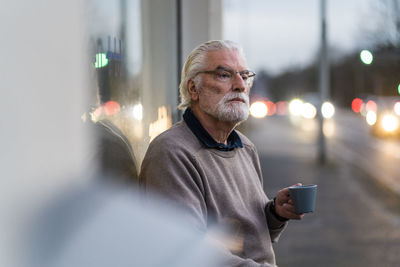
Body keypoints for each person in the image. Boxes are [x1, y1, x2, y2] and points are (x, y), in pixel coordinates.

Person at [139, 40, 305, 267]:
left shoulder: (245, 147)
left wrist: (275, 212)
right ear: (193, 89)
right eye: (224, 75)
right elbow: (187, 253)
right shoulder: (171, 152)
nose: (239, 85)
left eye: (244, 76)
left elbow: (245, 232)